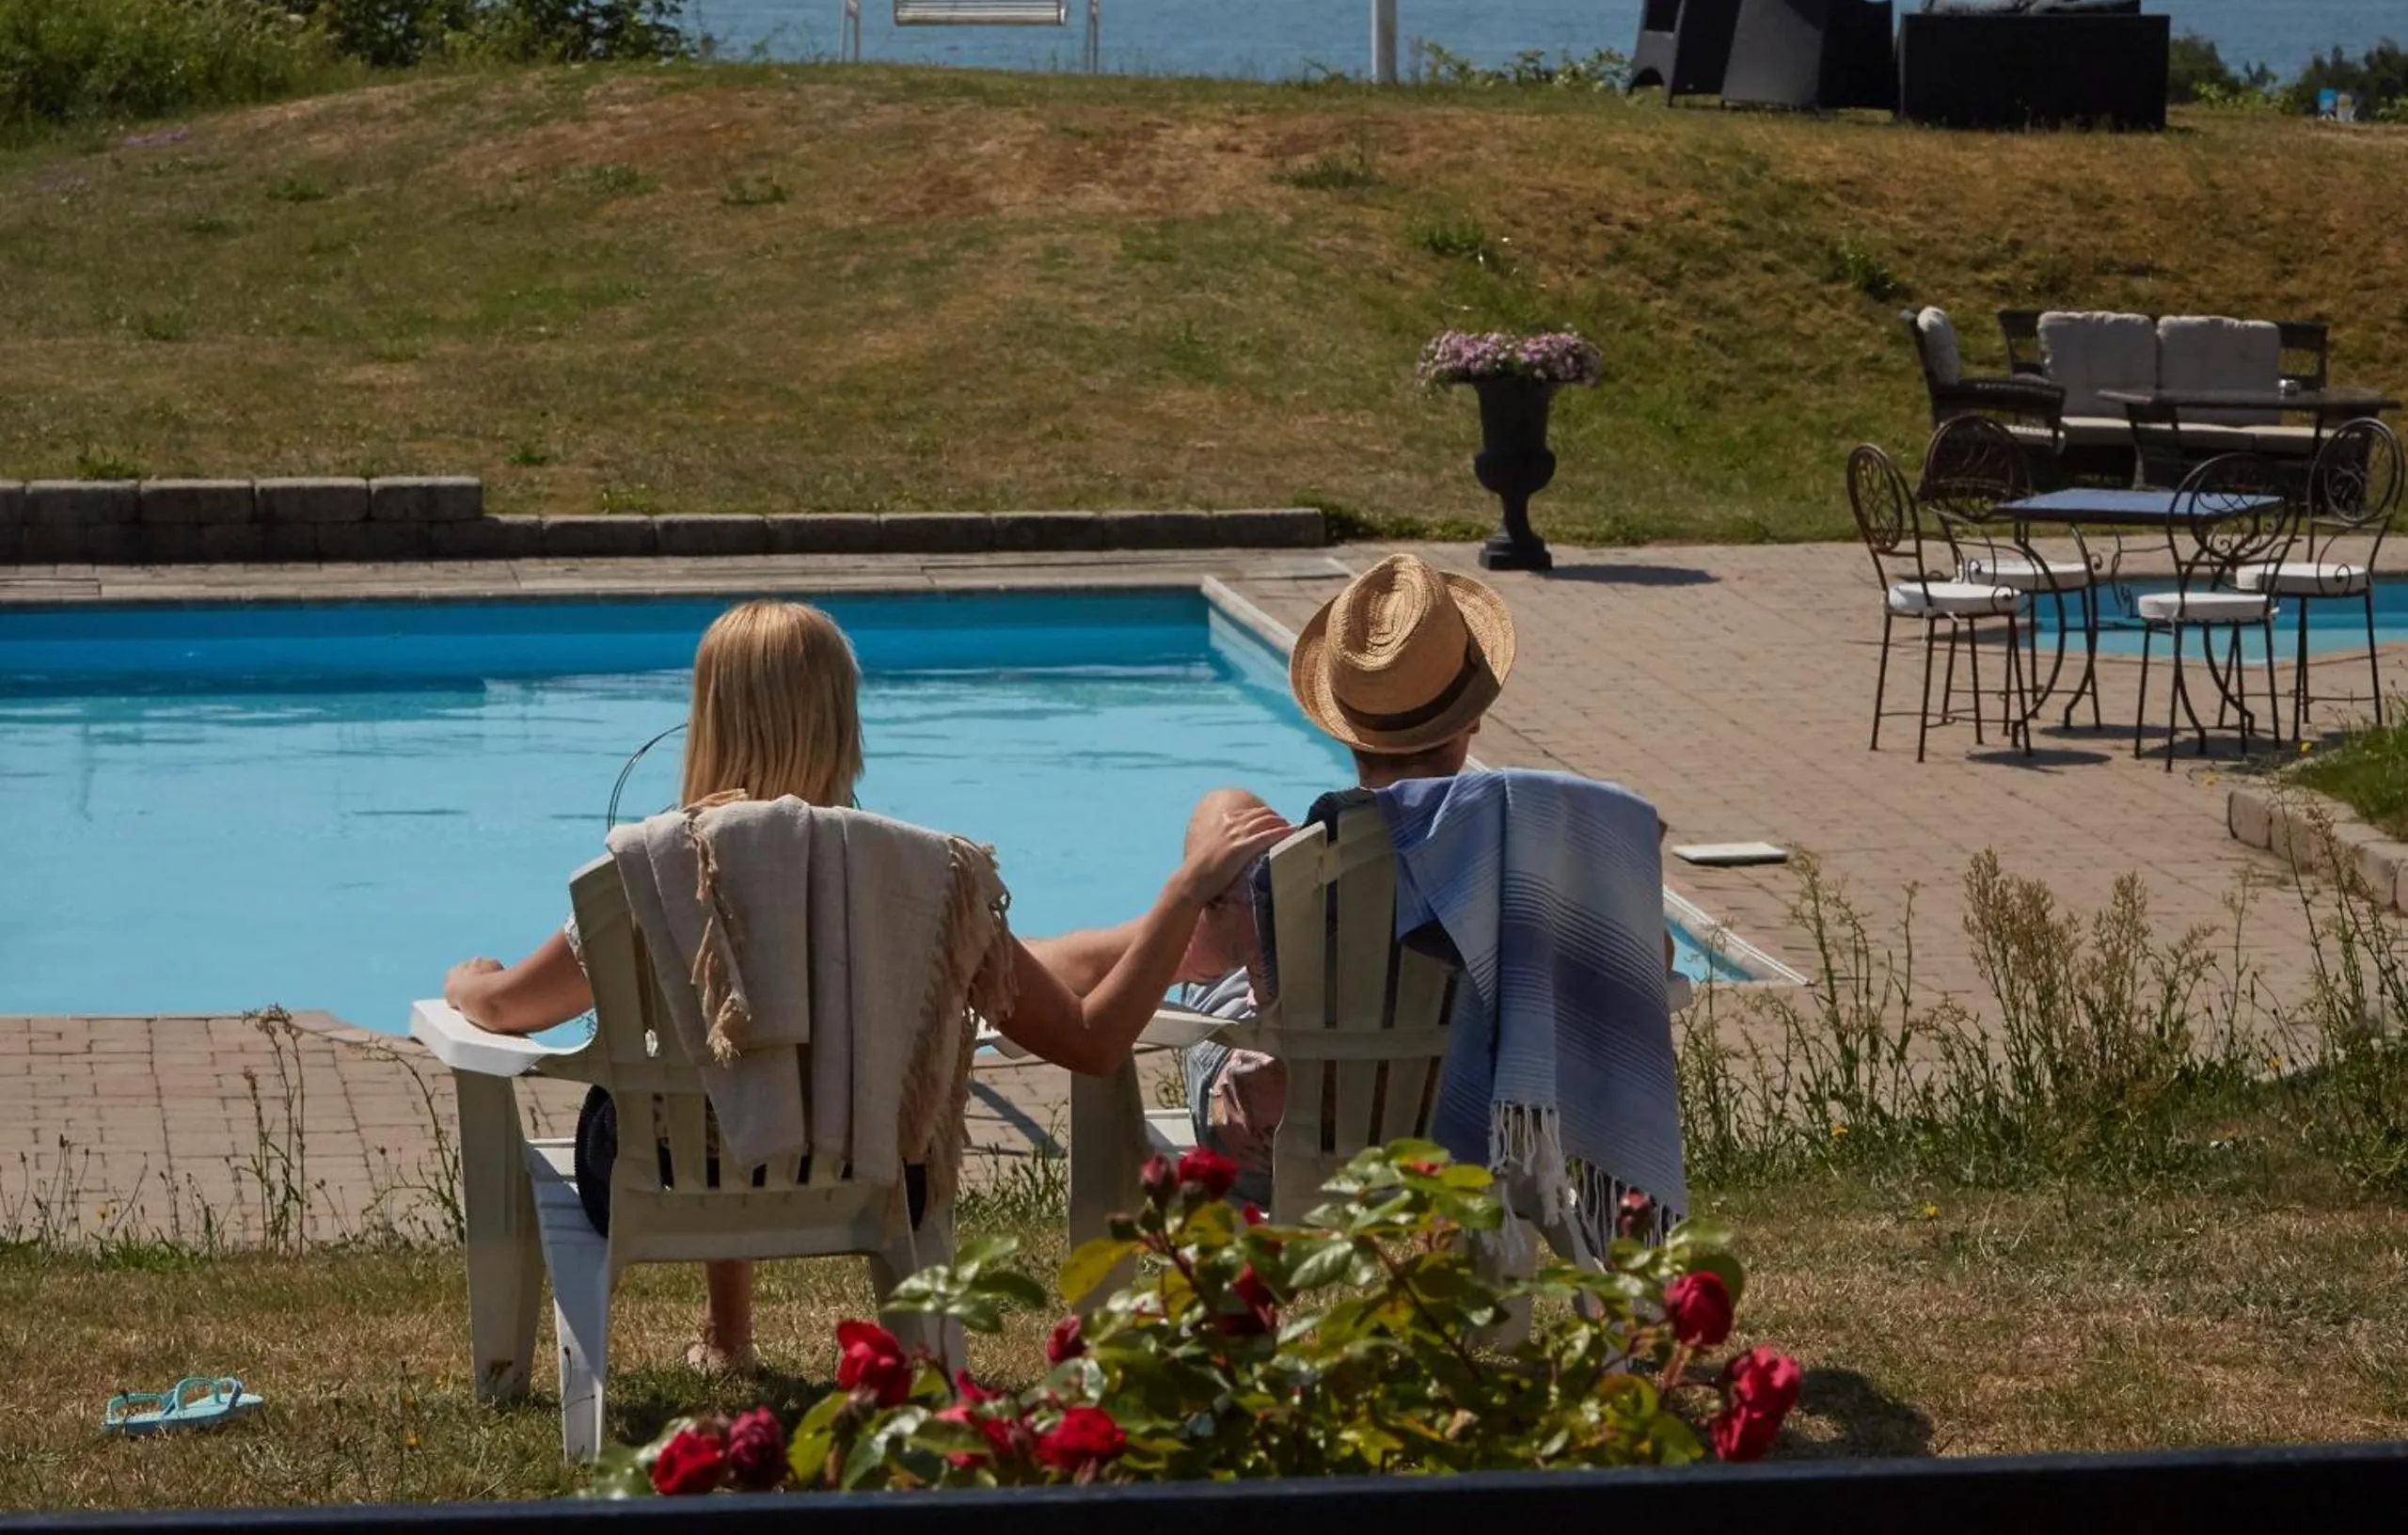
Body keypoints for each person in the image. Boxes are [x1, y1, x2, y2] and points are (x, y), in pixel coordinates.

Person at [444, 598, 1287, 1374]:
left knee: (694, 1077)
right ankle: (728, 1330)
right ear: (844, 722)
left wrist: (469, 979)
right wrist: (1175, 900)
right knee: (750, 1066)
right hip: (881, 1168)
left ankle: (728, 1335)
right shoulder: (926, 879)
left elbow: (508, 1008)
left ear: (707, 718)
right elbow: (1094, 1042)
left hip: (662, 1174)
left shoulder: (653, 869)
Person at [1033, 552, 1675, 1209]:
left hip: (1276, 1147)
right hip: (1463, 1149)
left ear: (1344, 729)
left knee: (1224, 828)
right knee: (1234, 864)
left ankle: (1197, 954)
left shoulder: (1299, 872)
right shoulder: (1520, 851)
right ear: (1474, 715)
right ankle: (1226, 958)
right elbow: (1652, 964)